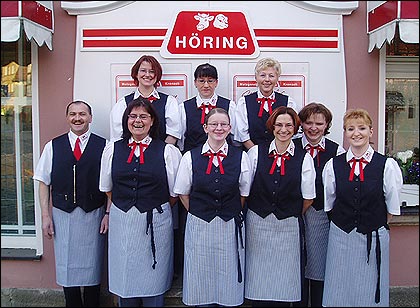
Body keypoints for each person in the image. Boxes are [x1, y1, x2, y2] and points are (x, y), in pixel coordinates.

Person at [99, 97, 181, 307]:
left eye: (143, 116)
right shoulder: (112, 149)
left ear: (152, 121)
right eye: (133, 116)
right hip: (123, 222)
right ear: (126, 120)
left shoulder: (167, 151)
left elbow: (174, 193)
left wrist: (152, 206)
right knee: (126, 278)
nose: (138, 120)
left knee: (153, 278)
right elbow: (107, 188)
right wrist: (127, 207)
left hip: (156, 222)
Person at [321, 108, 402, 307]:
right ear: (345, 133)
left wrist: (372, 222)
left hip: (373, 235)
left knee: (370, 285)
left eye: (362, 128)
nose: (356, 133)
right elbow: (330, 203)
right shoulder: (333, 165)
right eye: (350, 129)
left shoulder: (387, 165)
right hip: (341, 235)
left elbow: (391, 207)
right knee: (340, 284)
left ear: (371, 132)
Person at [33, 100, 108, 307]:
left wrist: (108, 214)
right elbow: (42, 181)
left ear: (90, 118)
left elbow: (111, 184)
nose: (78, 118)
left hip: (94, 214)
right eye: (73, 114)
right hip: (62, 215)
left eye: (82, 114)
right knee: (67, 269)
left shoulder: (104, 145)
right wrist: (45, 216)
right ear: (67, 117)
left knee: (93, 267)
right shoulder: (53, 146)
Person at [173, 108, 251, 307]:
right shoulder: (190, 157)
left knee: (228, 271)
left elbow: (243, 192)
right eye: (214, 124)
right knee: (201, 272)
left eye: (223, 124)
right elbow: (183, 192)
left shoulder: (241, 157)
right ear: (205, 127)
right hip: (200, 224)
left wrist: (228, 211)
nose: (219, 128)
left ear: (230, 128)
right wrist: (199, 212)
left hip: (229, 223)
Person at [245, 106, 316, 307]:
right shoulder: (255, 153)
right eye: (279, 125)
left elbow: (308, 198)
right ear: (272, 127)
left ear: (295, 129)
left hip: (288, 226)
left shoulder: (304, 158)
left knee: (285, 277)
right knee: (259, 276)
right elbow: (245, 190)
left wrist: (289, 212)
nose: (283, 129)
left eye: (288, 125)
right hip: (258, 224)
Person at [175, 63, 238, 280]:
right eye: (201, 80)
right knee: (191, 228)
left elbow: (235, 138)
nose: (206, 85)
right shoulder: (184, 107)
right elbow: (181, 139)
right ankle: (189, 273)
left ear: (217, 82)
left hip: (222, 169)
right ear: (194, 82)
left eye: (210, 80)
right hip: (195, 169)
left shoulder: (229, 106)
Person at [292, 102, 346, 307]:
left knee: (317, 266)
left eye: (319, 123)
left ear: (327, 125)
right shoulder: (292, 145)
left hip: (320, 215)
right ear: (301, 124)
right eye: (308, 123)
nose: (313, 128)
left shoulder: (336, 151)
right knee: (295, 264)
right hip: (293, 213)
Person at [109, 54, 181, 144]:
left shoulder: (169, 102)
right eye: (143, 71)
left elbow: (173, 134)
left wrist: (160, 153)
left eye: (152, 71)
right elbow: (117, 137)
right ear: (136, 74)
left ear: (157, 75)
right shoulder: (123, 103)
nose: (147, 75)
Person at [234, 57, 301, 150]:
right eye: (262, 75)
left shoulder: (288, 102)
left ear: (277, 78)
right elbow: (243, 135)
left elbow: (292, 132)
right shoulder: (244, 102)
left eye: (271, 76)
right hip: (252, 154)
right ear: (256, 78)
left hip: (280, 154)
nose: (267, 79)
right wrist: (257, 154)